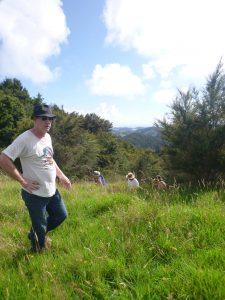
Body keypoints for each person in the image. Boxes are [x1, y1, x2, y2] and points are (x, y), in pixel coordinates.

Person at [0, 104, 71, 252]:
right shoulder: (24, 139)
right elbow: (4, 159)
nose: (48, 122)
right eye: (44, 118)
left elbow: (50, 159)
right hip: (35, 195)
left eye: (50, 119)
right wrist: (22, 181)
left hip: (52, 191)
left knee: (61, 215)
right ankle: (37, 252)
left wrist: (61, 175)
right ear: (34, 119)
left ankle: (35, 234)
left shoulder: (47, 137)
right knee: (40, 227)